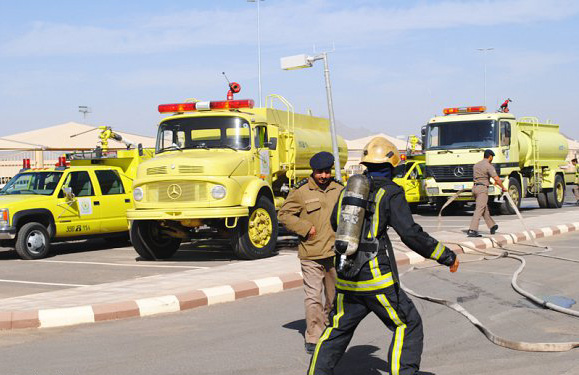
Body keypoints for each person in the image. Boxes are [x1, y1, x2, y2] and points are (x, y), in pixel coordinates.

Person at [308, 137, 459, 375]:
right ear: (392, 165)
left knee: (336, 330)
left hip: (347, 275)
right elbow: (410, 233)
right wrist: (445, 255)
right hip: (376, 279)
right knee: (407, 323)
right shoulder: (391, 192)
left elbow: (336, 222)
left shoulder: (349, 189)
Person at [278, 151, 344, 355]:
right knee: (313, 296)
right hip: (311, 253)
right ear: (313, 172)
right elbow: (284, 214)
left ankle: (328, 329)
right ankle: (314, 335)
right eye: (320, 172)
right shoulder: (301, 192)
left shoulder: (340, 190)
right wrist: (305, 228)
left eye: (327, 172)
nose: (324, 176)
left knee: (334, 298)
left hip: (335, 254)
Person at [467, 149, 507, 237]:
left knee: (484, 208)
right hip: (482, 190)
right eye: (492, 157)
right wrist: (503, 188)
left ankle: (492, 226)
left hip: (475, 188)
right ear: (490, 157)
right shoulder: (488, 166)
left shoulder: (476, 165)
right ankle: (472, 230)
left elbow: (481, 177)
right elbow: (496, 179)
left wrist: (489, 181)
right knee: (479, 209)